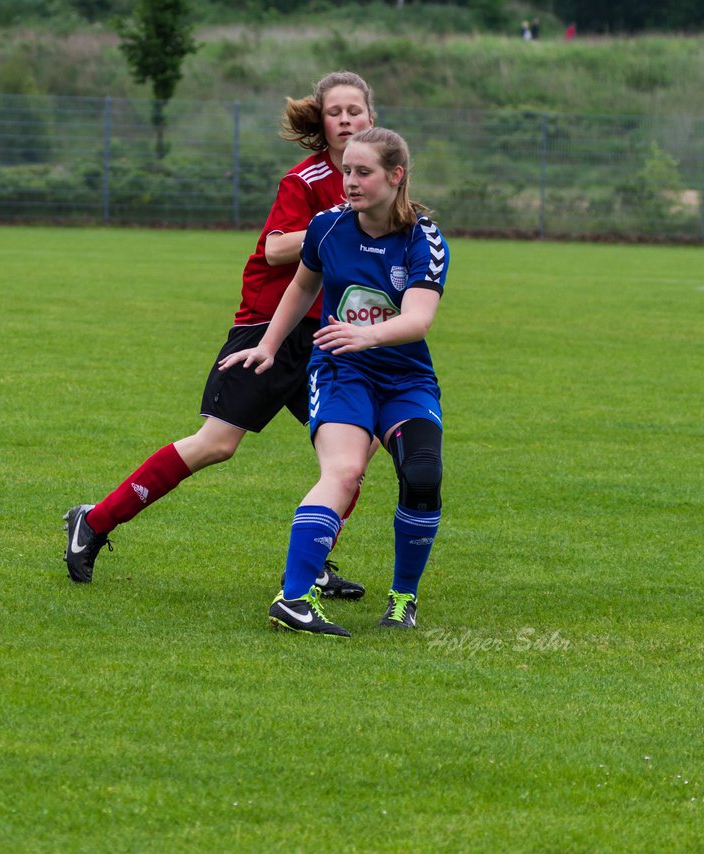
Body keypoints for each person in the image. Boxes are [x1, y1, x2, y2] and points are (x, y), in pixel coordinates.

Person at [63, 71, 378, 597]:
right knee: (216, 443)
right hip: (268, 327)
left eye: (356, 110)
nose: (346, 119)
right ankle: (94, 521)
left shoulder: (370, 182)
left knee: (354, 452)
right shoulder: (304, 182)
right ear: (321, 125)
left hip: (324, 336)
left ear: (372, 118)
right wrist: (342, 217)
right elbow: (276, 248)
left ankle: (313, 564)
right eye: (335, 112)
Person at [219, 127, 449, 637]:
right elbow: (302, 288)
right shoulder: (326, 228)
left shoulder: (423, 239)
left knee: (423, 476)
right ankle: (294, 599)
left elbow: (418, 320)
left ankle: (402, 598)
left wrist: (368, 336)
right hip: (342, 371)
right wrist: (268, 346)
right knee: (343, 472)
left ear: (396, 176)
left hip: (406, 378)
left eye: (363, 172)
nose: (350, 181)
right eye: (346, 169)